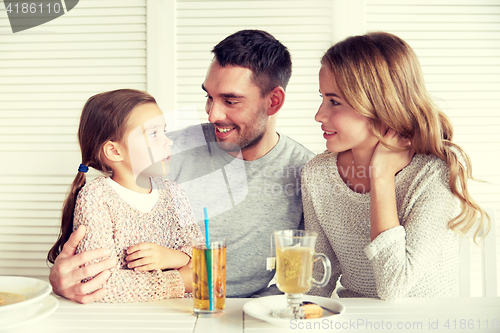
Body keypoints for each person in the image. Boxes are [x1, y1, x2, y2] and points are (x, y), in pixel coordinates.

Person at [48, 30, 315, 302]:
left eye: (230, 101)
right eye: (209, 97)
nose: (213, 114)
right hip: (164, 311)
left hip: (253, 313)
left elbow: (309, 275)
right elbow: (98, 244)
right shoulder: (165, 153)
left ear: (274, 101)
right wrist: (63, 278)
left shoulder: (306, 173)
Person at [303, 32, 490, 300]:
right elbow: (317, 281)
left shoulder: (434, 174)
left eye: (334, 102)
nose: (319, 115)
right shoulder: (317, 174)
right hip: (356, 323)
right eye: (322, 98)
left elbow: (394, 286)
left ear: (380, 105)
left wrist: (381, 177)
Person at [47, 89, 202, 303]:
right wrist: (179, 280)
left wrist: (170, 257)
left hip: (177, 314)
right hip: (119, 318)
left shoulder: (175, 192)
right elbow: (99, 283)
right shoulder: (96, 197)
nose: (169, 141)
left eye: (164, 131)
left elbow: (202, 260)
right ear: (114, 151)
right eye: (154, 134)